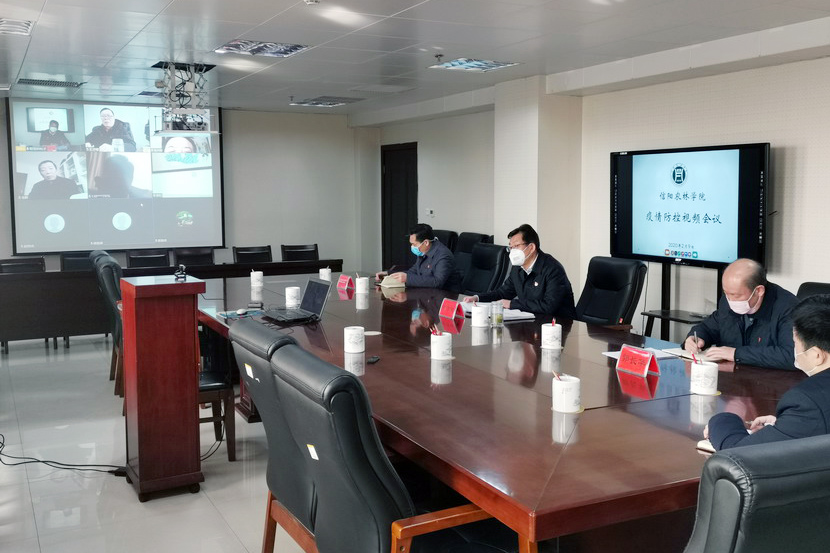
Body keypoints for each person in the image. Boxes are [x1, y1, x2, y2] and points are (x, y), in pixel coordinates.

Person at [705, 294, 830, 450]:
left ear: (816, 355)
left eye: (795, 343)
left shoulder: (807, 401)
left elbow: (739, 451)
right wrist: (786, 425)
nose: (793, 349)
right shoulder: (810, 408)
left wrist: (721, 420)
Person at [684, 258, 797, 369]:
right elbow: (709, 327)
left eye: (736, 295)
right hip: (733, 374)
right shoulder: (728, 299)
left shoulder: (788, 308)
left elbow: (791, 355)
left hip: (772, 378)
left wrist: (736, 354)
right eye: (726, 293)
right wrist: (696, 337)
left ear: (759, 291)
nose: (730, 300)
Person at [463, 224, 576, 318]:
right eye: (510, 247)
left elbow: (548, 306)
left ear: (531, 247)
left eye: (516, 246)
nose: (512, 251)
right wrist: (478, 298)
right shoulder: (517, 268)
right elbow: (503, 293)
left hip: (559, 325)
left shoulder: (553, 269)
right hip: (531, 322)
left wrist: (512, 304)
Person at [374, 223, 462, 291]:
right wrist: (389, 274)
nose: (412, 247)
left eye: (414, 244)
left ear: (426, 242)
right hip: (428, 294)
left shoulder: (443, 255)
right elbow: (413, 272)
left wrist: (407, 279)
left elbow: (437, 282)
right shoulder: (423, 251)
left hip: (446, 297)